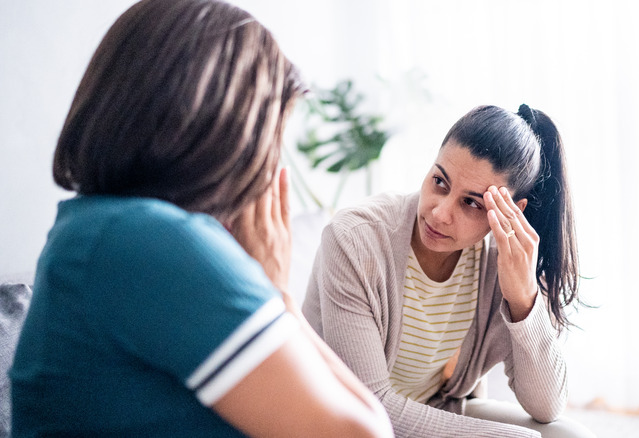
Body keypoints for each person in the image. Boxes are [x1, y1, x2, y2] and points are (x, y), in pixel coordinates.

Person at [9, 1, 393, 437]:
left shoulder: (92, 230)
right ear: (231, 131)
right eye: (272, 139)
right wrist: (279, 296)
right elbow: (366, 433)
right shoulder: (153, 242)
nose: (268, 167)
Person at [303, 104, 594, 437]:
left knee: (570, 435)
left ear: (511, 212)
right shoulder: (355, 239)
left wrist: (523, 297)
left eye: (471, 202)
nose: (440, 213)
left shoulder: (502, 261)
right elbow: (369, 406)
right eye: (440, 181)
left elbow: (547, 407)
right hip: (342, 423)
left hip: (432, 410)